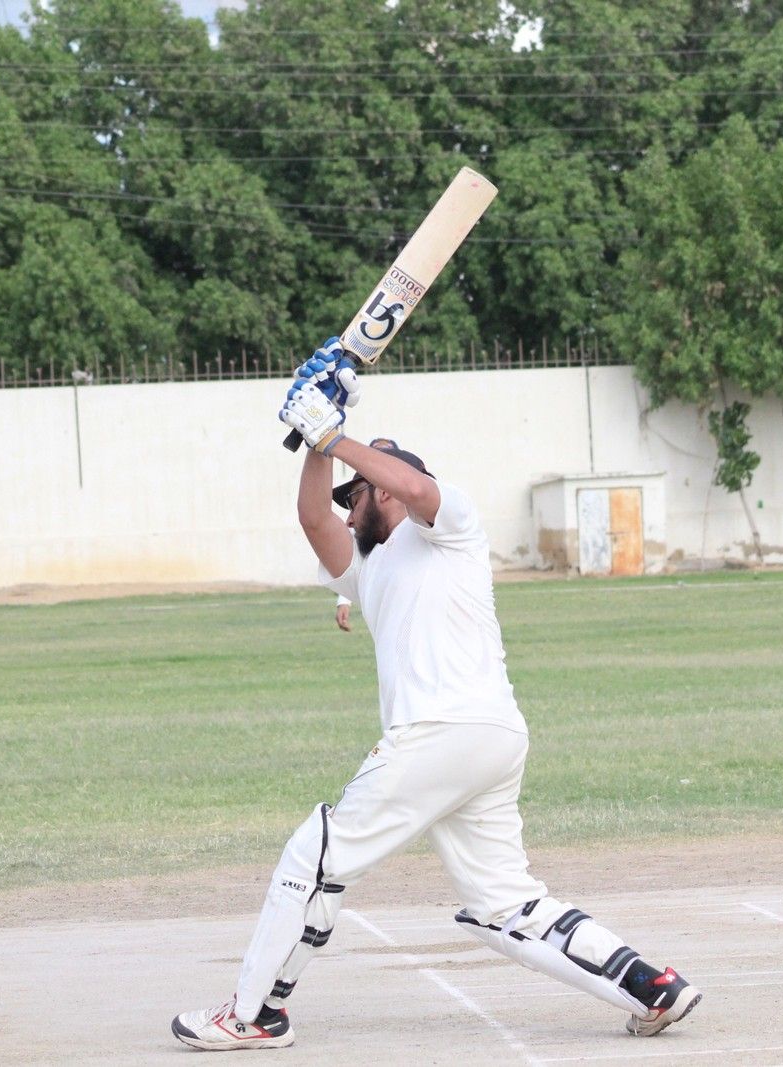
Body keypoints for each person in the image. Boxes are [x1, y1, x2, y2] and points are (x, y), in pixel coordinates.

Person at [171, 348, 701, 1050]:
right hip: (486, 740)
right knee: (506, 905)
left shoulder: (450, 527)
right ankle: (649, 987)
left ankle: (254, 1014)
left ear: (384, 490)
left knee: (314, 858)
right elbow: (312, 520)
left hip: (441, 733)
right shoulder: (370, 568)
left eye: (356, 494)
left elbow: (416, 487)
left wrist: (335, 433)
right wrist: (314, 438)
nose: (347, 509)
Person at [332, 439, 399, 633]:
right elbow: (356, 561)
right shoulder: (366, 523)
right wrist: (344, 601)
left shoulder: (424, 521)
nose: (349, 520)